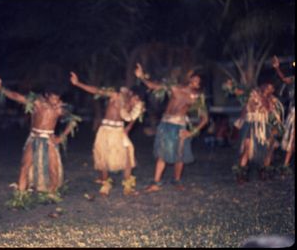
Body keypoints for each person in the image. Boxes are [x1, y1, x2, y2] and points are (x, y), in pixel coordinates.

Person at [0, 76, 80, 206]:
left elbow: (73, 120)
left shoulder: (60, 108)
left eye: (57, 99)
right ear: (46, 96)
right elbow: (17, 96)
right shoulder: (37, 103)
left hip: (49, 139)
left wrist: (61, 137)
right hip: (34, 138)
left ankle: (52, 193)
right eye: (53, 98)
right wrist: (1, 89)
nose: (55, 101)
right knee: (25, 166)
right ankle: (21, 196)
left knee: (53, 168)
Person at [134, 63, 209, 191]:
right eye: (194, 79)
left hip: (180, 126)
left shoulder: (196, 98)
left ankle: (177, 180)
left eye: (198, 82)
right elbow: (154, 86)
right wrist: (141, 77)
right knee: (162, 153)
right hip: (165, 124)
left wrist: (192, 132)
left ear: (199, 85)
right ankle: (155, 183)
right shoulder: (175, 88)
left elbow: (205, 118)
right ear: (190, 79)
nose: (194, 82)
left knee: (179, 154)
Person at [70, 72, 145, 196]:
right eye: (135, 98)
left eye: (138, 100)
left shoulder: (135, 105)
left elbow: (132, 119)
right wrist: (78, 83)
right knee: (104, 157)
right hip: (106, 129)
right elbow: (97, 91)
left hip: (119, 131)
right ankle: (105, 185)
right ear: (131, 94)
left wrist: (128, 129)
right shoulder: (115, 96)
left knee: (128, 156)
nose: (136, 101)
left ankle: (128, 186)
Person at [224, 80, 284, 183]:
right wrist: (231, 87)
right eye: (267, 86)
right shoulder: (253, 95)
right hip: (251, 125)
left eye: (271, 88)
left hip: (265, 127)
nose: (268, 89)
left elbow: (276, 116)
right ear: (262, 86)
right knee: (247, 149)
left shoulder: (273, 101)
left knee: (268, 150)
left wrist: (276, 127)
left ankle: (264, 172)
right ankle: (240, 174)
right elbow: (243, 101)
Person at [272, 55, 295, 177]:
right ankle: (285, 165)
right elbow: (284, 79)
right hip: (294, 112)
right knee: (291, 138)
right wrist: (277, 68)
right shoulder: (293, 80)